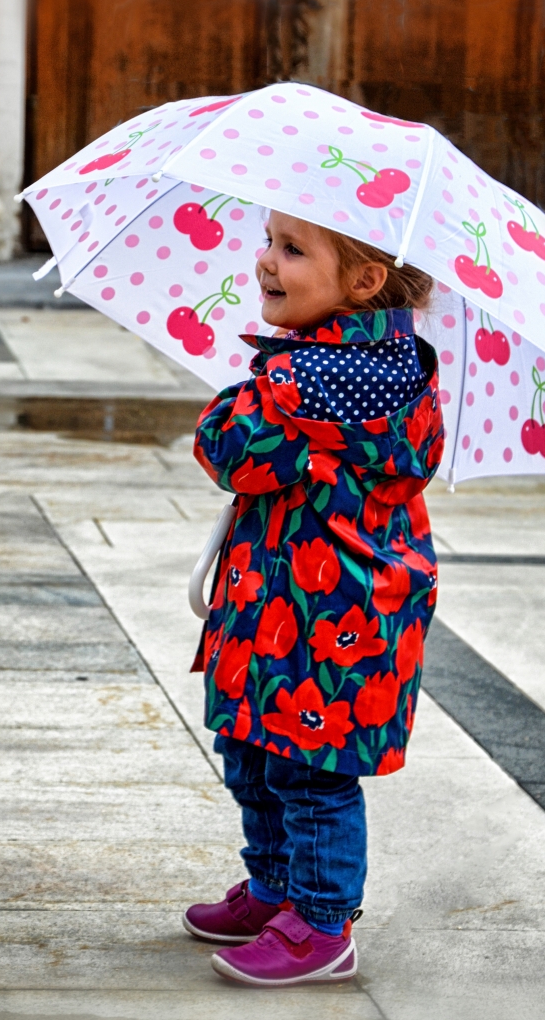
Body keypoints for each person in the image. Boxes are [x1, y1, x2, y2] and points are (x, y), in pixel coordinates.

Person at [185, 210, 444, 986]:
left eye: (292, 250)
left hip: (325, 618)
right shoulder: (384, 364)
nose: (265, 261)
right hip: (291, 605)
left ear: (363, 282)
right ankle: (275, 891)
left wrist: (254, 389)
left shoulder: (313, 381)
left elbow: (228, 452)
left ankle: (323, 925)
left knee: (308, 770)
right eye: (268, 241)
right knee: (259, 751)